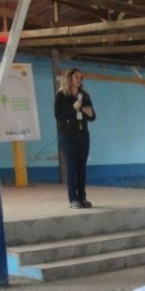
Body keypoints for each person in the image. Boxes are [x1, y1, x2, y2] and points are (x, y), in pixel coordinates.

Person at [54, 68, 96, 209]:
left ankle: (82, 196)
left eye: (81, 77)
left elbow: (93, 117)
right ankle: (73, 199)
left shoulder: (84, 95)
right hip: (67, 135)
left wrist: (89, 113)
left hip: (82, 134)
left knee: (81, 167)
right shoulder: (62, 96)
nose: (79, 80)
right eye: (76, 77)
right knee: (72, 167)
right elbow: (59, 115)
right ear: (69, 78)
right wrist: (74, 108)